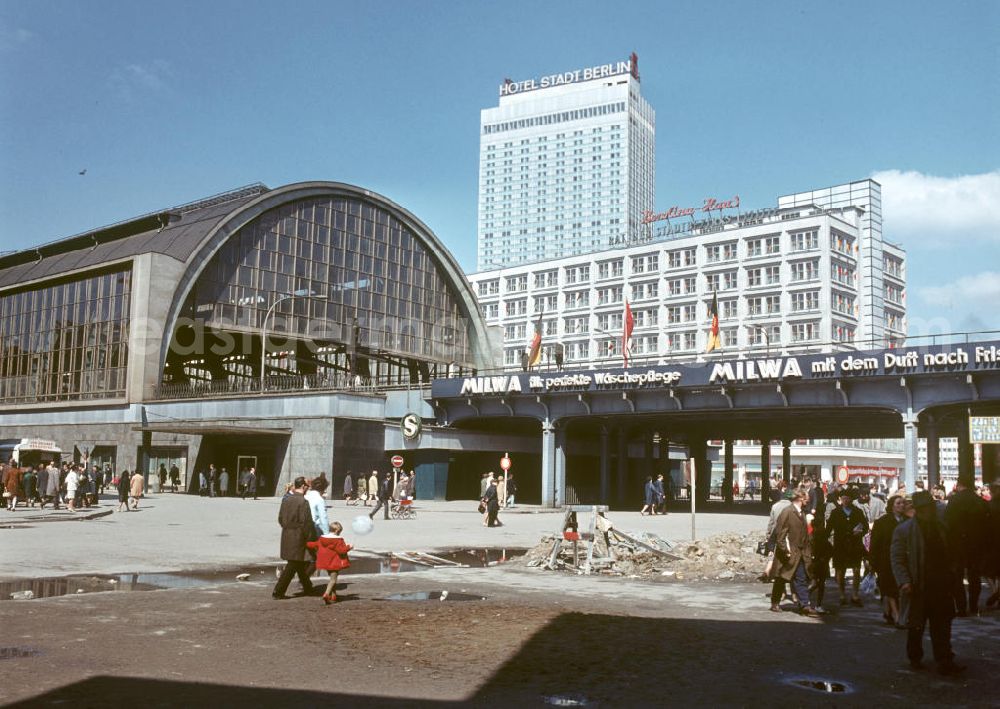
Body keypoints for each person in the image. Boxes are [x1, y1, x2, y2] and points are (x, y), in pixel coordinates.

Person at [891, 490, 964, 674]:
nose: (929, 512)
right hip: (918, 585)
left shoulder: (940, 527)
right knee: (917, 625)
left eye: (930, 508)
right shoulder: (904, 530)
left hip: (941, 584)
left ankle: (944, 659)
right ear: (918, 510)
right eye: (924, 509)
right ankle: (915, 657)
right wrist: (904, 581)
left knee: (942, 625)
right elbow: (897, 558)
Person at [945, 474, 989, 616]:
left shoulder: (954, 500)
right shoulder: (980, 501)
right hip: (976, 545)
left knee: (957, 576)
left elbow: (948, 523)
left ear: (959, 485)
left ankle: (961, 607)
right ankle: (974, 605)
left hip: (957, 544)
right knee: (974, 576)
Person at [773, 488, 820, 616]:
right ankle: (775, 602)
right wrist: (785, 550)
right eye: (806, 499)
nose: (808, 502)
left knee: (801, 578)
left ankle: (804, 605)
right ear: (800, 499)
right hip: (789, 552)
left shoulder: (802, 513)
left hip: (800, 552)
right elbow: (780, 533)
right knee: (781, 578)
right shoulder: (787, 512)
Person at [272, 477, 316, 600]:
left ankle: (308, 587)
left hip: (286, 534)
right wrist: (310, 538)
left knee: (299, 564)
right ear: (303, 486)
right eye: (307, 487)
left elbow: (280, 518)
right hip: (299, 536)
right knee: (293, 564)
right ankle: (278, 591)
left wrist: (287, 528)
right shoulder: (303, 502)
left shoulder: (286, 499)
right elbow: (306, 523)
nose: (307, 489)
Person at [828, 489, 869, 606]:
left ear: (851, 499)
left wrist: (860, 532)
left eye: (847, 498)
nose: (845, 500)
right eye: (843, 498)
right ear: (840, 499)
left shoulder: (857, 511)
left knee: (856, 570)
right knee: (840, 570)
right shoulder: (836, 512)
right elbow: (829, 527)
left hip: (855, 545)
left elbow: (865, 526)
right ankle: (842, 594)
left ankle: (855, 594)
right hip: (840, 545)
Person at [871, 495, 907, 626]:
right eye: (898, 503)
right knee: (889, 588)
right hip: (885, 560)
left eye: (903, 503)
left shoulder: (908, 521)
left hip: (903, 560)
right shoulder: (882, 522)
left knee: (898, 589)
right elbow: (875, 543)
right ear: (892, 506)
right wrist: (872, 561)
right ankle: (896, 615)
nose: (901, 506)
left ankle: (889, 612)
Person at [307, 520, 352, 605]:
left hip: (325, 563)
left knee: (332, 579)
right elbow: (341, 551)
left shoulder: (322, 538)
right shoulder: (338, 540)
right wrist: (349, 547)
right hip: (334, 563)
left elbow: (315, 544)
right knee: (333, 580)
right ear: (336, 531)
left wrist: (306, 544)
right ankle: (327, 594)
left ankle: (334, 596)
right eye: (339, 532)